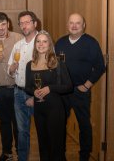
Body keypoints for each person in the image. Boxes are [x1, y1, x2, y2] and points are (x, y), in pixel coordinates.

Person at [55, 13, 106, 161]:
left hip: (80, 92)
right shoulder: (60, 43)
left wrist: (86, 85)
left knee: (84, 125)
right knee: (60, 124)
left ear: (84, 25)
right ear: (67, 25)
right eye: (71, 23)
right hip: (63, 91)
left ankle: (84, 156)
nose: (74, 26)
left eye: (78, 23)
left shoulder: (91, 43)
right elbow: (55, 65)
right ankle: (60, 154)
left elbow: (100, 67)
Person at [25, 30, 73, 161]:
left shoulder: (57, 63)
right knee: (43, 143)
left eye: (44, 41)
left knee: (56, 144)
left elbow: (68, 86)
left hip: (55, 109)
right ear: (35, 45)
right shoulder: (30, 64)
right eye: (38, 41)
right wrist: (33, 92)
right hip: (39, 109)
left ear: (49, 44)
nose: (41, 44)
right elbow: (28, 87)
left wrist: (50, 88)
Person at [0, 12, 22, 161]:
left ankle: (20, 152)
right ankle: (7, 152)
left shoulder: (19, 38)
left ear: (8, 24)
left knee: (18, 123)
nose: (1, 28)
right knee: (4, 122)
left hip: (17, 89)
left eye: (3, 24)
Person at [8, 11, 38, 161]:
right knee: (22, 131)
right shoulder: (18, 45)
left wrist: (34, 95)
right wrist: (12, 70)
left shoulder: (42, 42)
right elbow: (10, 69)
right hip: (18, 93)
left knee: (42, 130)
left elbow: (49, 73)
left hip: (36, 94)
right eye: (21, 23)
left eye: (27, 22)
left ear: (35, 23)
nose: (24, 25)